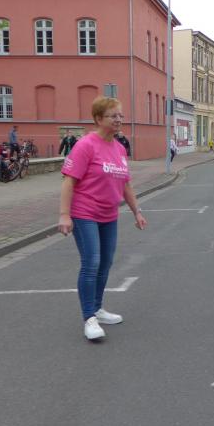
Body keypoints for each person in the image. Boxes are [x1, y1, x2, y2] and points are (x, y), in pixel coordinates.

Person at [58, 96, 147, 342]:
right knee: (92, 262)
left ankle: (97, 308)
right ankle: (89, 318)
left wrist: (137, 211)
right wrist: (64, 215)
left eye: (120, 115)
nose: (119, 120)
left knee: (105, 263)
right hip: (84, 213)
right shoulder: (86, 145)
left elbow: (125, 183)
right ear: (98, 119)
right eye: (113, 116)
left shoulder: (119, 148)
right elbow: (69, 181)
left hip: (109, 214)